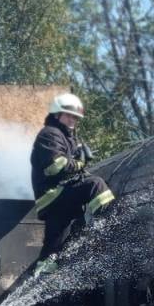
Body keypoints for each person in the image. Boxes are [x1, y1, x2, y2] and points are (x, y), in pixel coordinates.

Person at [29, 92, 114, 276]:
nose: (73, 120)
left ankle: (43, 272)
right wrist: (79, 162)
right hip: (53, 194)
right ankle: (109, 223)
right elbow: (55, 166)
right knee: (96, 185)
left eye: (75, 117)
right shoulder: (50, 134)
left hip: (58, 199)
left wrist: (78, 157)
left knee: (53, 246)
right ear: (57, 115)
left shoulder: (67, 138)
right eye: (69, 115)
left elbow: (69, 165)